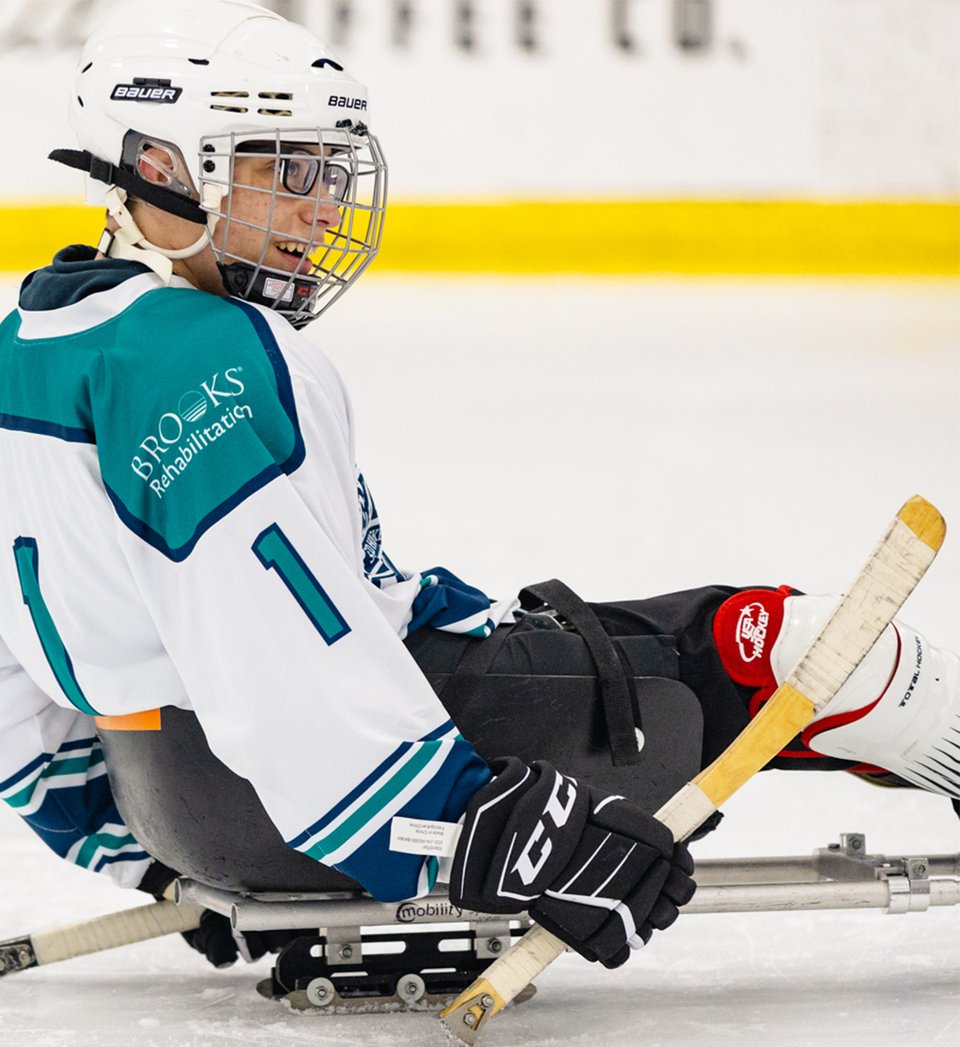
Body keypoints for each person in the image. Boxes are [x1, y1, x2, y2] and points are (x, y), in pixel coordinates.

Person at [0, 0, 956, 973]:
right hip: (348, 804)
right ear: (162, 167)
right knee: (776, 645)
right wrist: (471, 827)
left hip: (201, 810)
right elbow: (283, 650)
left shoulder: (25, 351)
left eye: (329, 172)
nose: (322, 209)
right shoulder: (202, 360)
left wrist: (146, 845)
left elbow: (14, 682)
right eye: (285, 171)